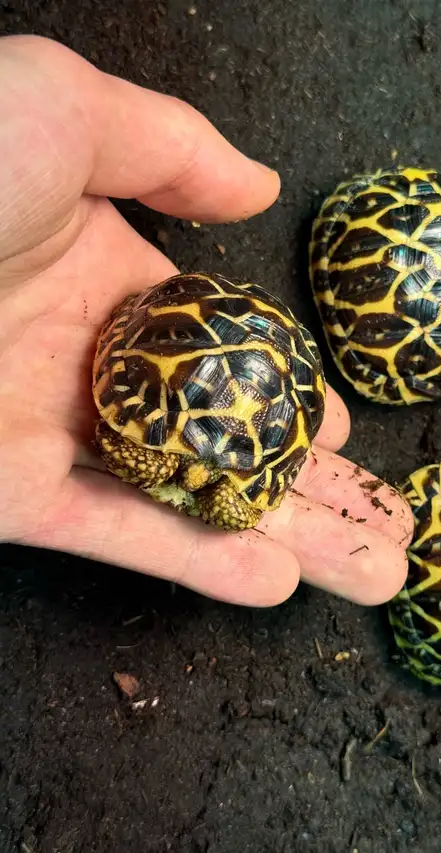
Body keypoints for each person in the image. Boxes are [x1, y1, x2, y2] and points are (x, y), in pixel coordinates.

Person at [0, 35, 412, 608]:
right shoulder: (166, 460)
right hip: (185, 334)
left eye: (196, 481)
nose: (194, 483)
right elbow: (121, 444)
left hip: (263, 376)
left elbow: (223, 494)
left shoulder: (219, 489)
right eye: (196, 479)